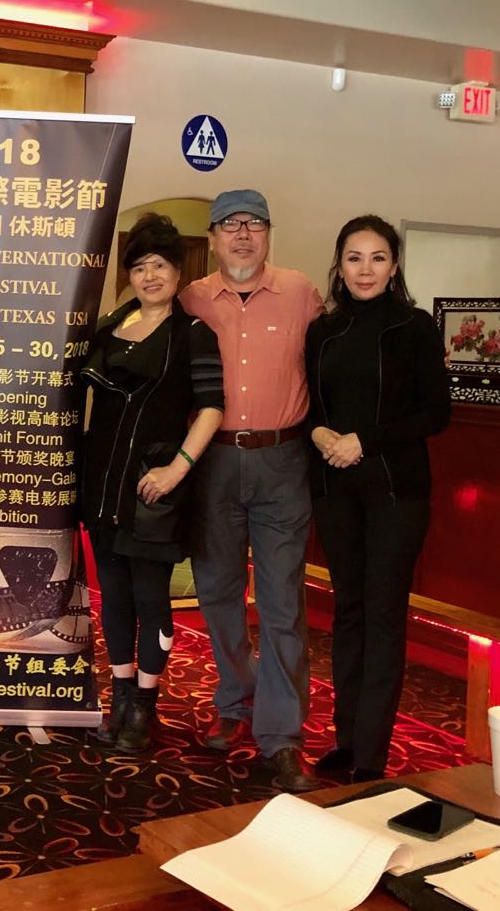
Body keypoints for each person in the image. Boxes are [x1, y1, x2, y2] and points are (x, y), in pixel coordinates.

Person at [180, 188, 325, 793]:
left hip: (282, 460)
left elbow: (327, 368)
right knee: (217, 592)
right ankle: (234, 702)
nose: (242, 234)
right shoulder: (191, 298)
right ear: (213, 238)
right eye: (229, 224)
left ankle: (282, 734)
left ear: (268, 234)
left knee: (282, 601)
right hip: (212, 461)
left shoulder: (301, 294)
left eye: (254, 224)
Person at [305, 215, 450, 782]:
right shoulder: (324, 330)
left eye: (378, 257)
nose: (365, 269)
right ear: (339, 266)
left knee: (383, 614)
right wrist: (319, 432)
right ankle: (346, 741)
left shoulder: (415, 326)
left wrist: (364, 440)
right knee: (348, 611)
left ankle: (371, 754)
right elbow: (312, 407)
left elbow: (435, 414)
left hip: (396, 491)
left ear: (394, 266)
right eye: (354, 258)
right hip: (335, 489)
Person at [81, 214, 224, 752]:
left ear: (178, 271)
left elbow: (211, 408)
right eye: (139, 267)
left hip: (154, 486)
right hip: (103, 482)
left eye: (160, 265)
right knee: (113, 595)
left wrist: (177, 468)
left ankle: (145, 703)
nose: (150, 276)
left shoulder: (193, 333)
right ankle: (119, 695)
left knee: (150, 597)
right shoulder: (109, 328)